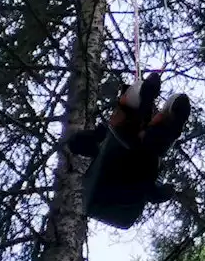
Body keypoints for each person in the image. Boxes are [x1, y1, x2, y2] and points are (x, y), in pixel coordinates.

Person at [66, 71, 191, 229]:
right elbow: (78, 143)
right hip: (110, 190)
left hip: (115, 193)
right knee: (139, 142)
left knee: (142, 145)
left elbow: (149, 186)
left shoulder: (142, 154)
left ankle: (152, 111)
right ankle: (151, 110)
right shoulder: (118, 142)